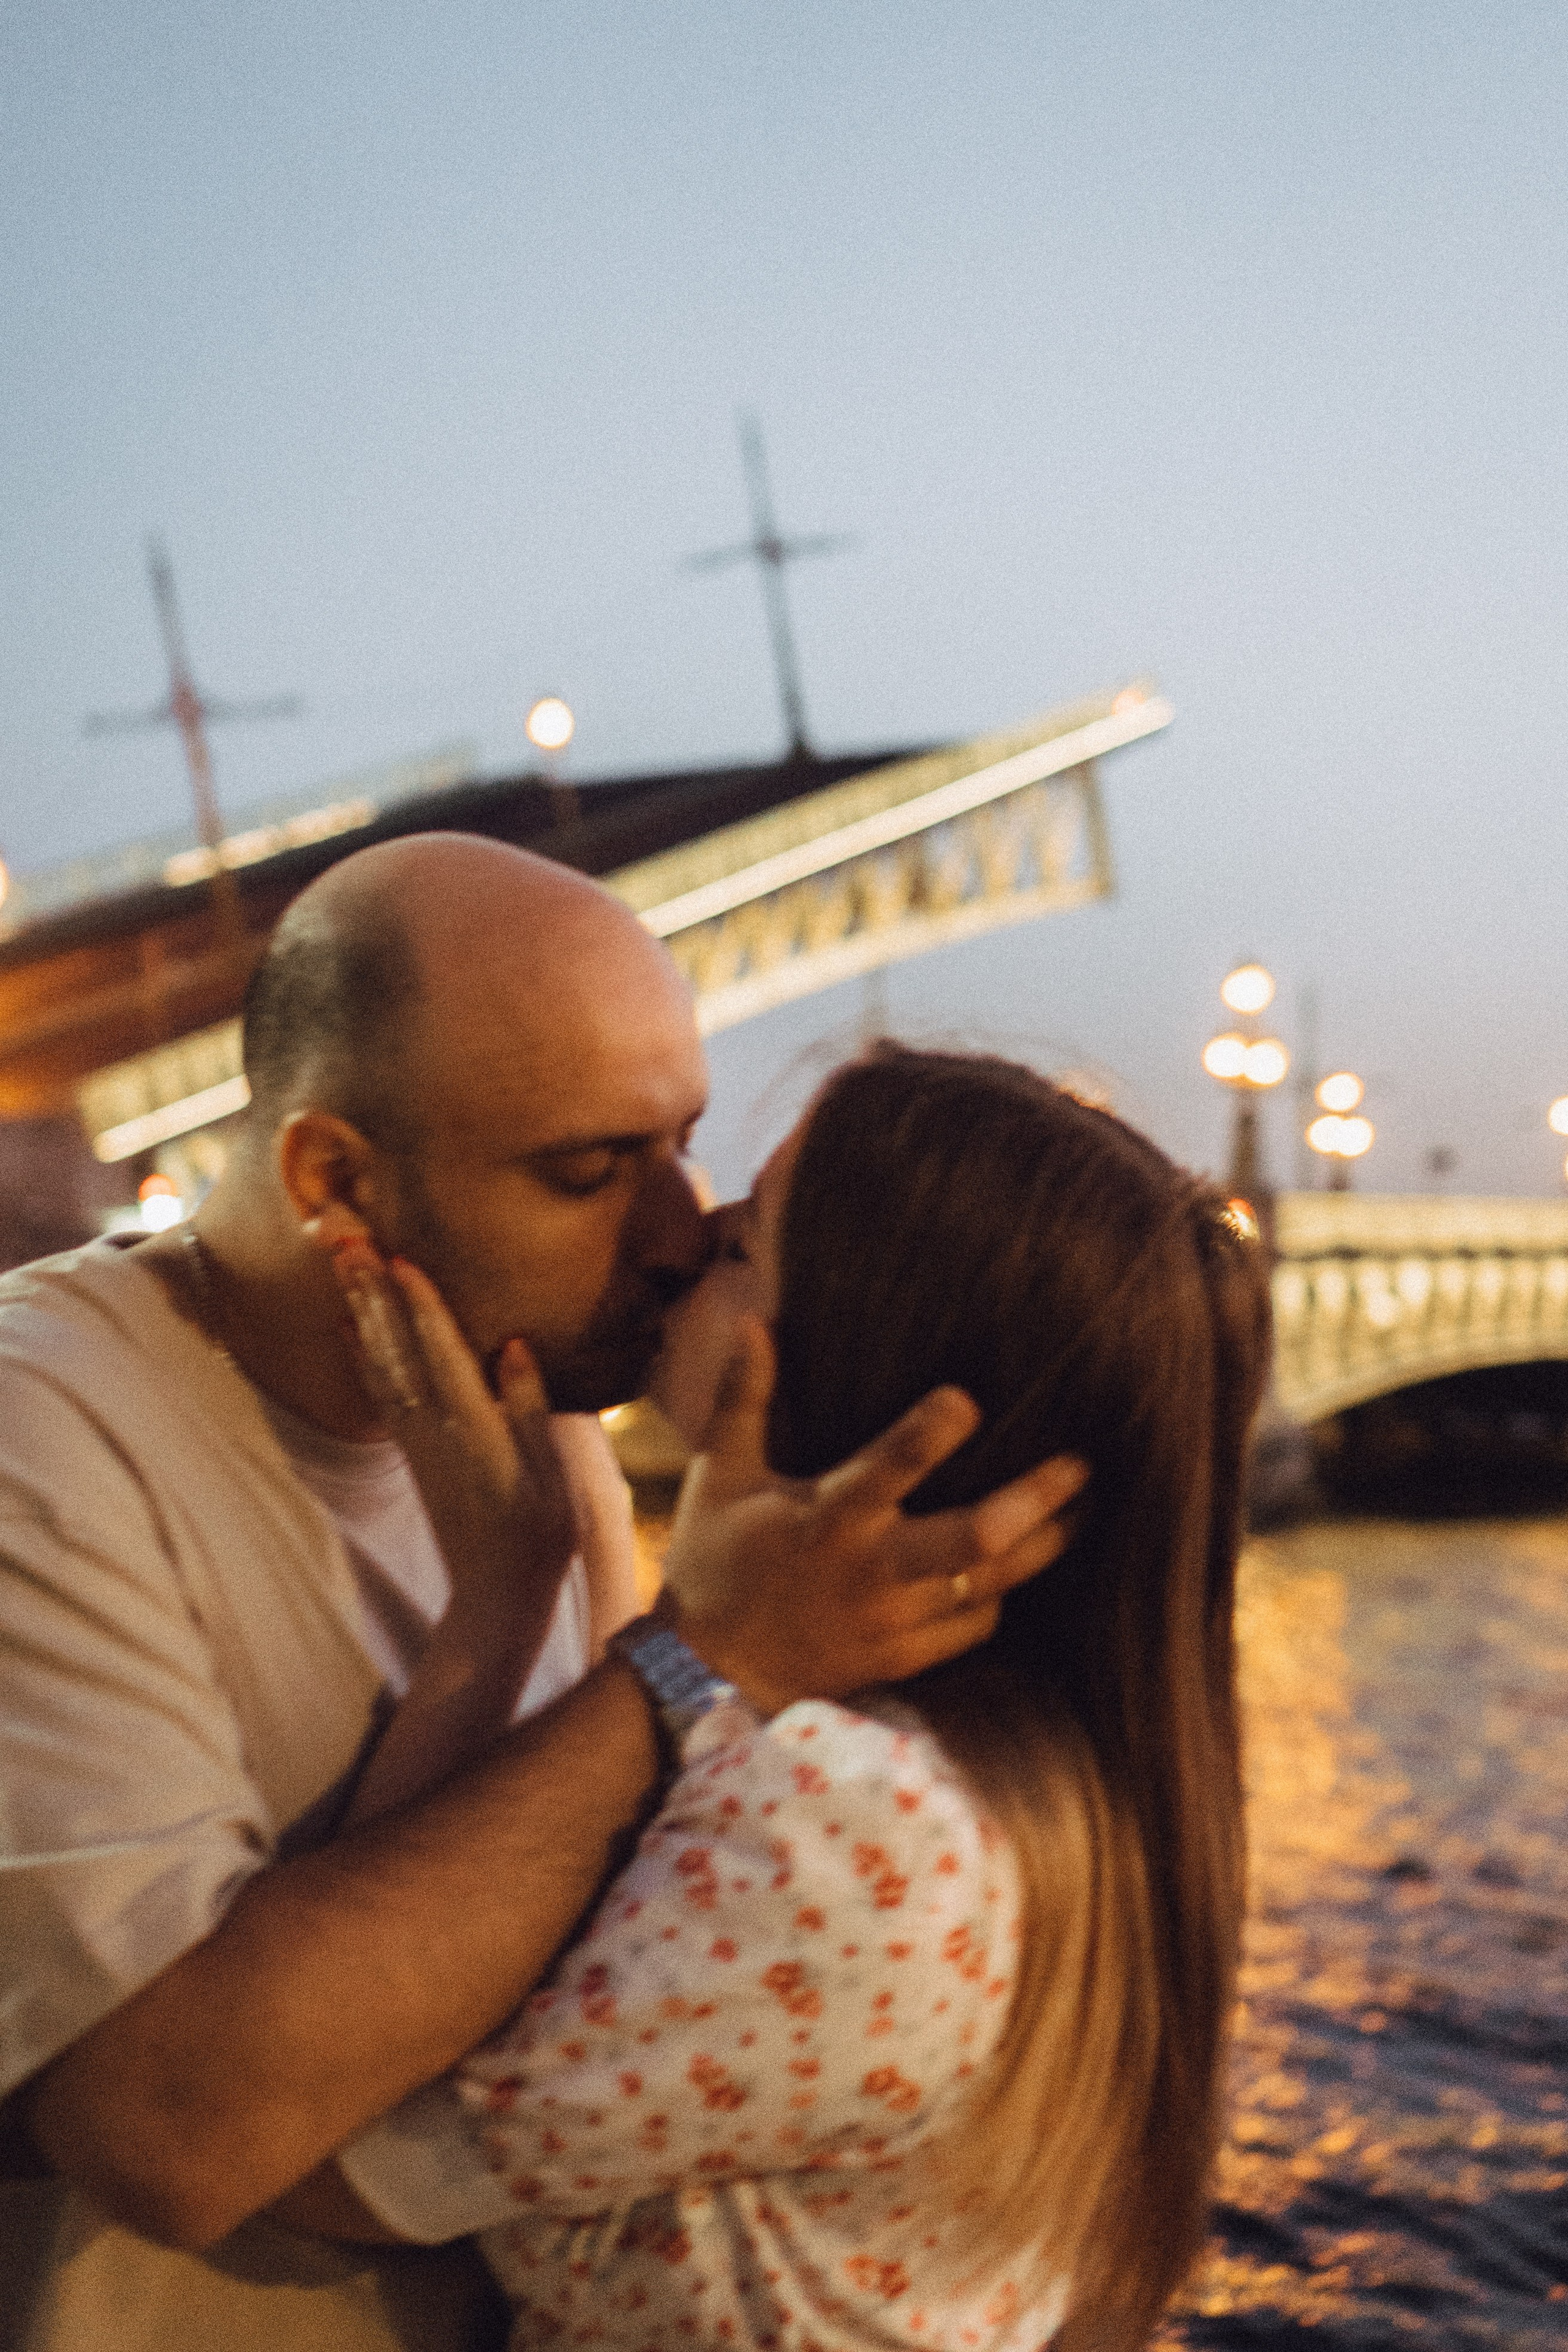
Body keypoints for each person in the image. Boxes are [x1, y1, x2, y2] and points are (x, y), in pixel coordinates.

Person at [0, 838, 1082, 2352]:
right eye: (588, 1171)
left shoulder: (550, 1429)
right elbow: (171, 2132)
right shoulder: (44, 1431)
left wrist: (534, 1611)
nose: (679, 1234)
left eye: (681, 1143)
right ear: (334, 1180)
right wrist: (697, 1658)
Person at [312, 1043, 1273, 2352]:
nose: (682, 1240)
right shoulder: (1029, 1783)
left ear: (863, 1358)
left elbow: (318, 2129)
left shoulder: (850, 1818)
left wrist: (506, 1599)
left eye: (747, 1240)